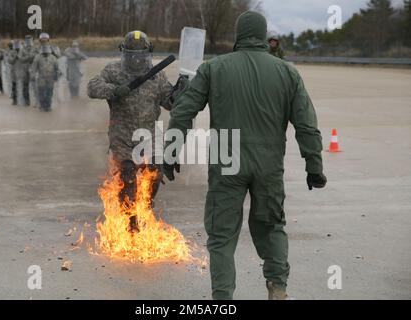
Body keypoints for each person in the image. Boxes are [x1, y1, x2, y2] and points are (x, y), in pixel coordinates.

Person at [164, 11, 327, 300]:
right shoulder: (287, 72)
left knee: (222, 236)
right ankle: (277, 288)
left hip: (227, 159)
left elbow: (183, 111)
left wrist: (170, 151)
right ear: (264, 36)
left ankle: (223, 298)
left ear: (238, 35)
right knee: (272, 227)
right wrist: (314, 165)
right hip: (268, 164)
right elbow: (306, 124)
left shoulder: (214, 68)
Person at [87, 30, 186, 232]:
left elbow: (169, 102)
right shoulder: (113, 71)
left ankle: (146, 207)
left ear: (147, 53)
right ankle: (130, 221)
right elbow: (92, 87)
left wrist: (181, 92)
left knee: (155, 173)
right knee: (128, 175)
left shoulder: (157, 75)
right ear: (124, 53)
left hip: (148, 137)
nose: (136, 60)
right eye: (131, 55)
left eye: (140, 56)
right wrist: (114, 90)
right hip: (122, 137)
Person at [31, 45, 60, 112]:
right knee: (41, 93)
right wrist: (33, 76)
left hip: (50, 78)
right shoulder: (37, 57)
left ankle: (48, 106)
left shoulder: (53, 58)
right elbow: (34, 68)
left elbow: (57, 68)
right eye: (44, 53)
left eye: (47, 52)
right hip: (41, 78)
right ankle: (42, 106)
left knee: (49, 93)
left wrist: (57, 75)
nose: (45, 53)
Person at [17, 35, 38, 106]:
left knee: (35, 86)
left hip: (33, 69)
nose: (29, 41)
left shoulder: (35, 48)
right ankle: (26, 101)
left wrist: (28, 57)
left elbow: (37, 57)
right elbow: (20, 58)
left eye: (30, 39)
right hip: (24, 70)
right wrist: (29, 57)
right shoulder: (22, 49)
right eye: (27, 40)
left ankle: (37, 101)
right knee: (25, 86)